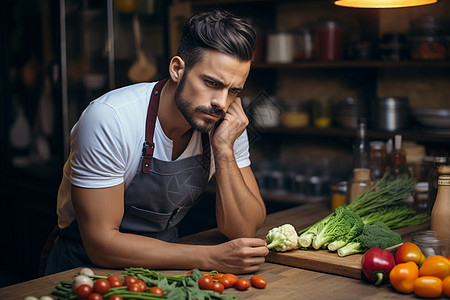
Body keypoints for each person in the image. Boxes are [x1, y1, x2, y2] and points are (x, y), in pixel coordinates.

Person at [45, 9, 268, 275]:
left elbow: (243, 229)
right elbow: (101, 244)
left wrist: (224, 150)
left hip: (167, 268)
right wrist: (210, 258)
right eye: (211, 82)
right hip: (84, 270)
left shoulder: (225, 123)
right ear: (177, 69)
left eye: (233, 90)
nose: (221, 102)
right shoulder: (109, 119)